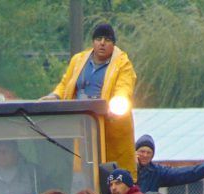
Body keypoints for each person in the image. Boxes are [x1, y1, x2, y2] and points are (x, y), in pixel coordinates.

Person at [42, 23, 137, 175]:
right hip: (81, 124)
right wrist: (55, 95)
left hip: (109, 124)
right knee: (83, 167)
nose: (102, 43)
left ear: (113, 44)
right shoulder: (78, 60)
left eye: (107, 40)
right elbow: (66, 83)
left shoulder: (122, 63)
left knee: (112, 171)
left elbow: (124, 87)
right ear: (93, 42)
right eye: (99, 39)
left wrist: (119, 101)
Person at [135, 134, 204, 194]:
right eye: (142, 151)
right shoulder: (128, 169)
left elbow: (182, 174)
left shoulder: (156, 172)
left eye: (149, 153)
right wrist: (135, 167)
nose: (145, 155)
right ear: (135, 152)